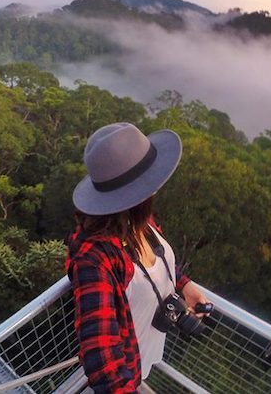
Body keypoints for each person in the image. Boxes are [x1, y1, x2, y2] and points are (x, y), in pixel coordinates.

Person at [66, 122, 209, 393]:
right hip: (126, 373)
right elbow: (102, 358)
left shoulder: (142, 222)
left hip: (144, 354)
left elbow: (156, 263)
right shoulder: (95, 258)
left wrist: (184, 285)